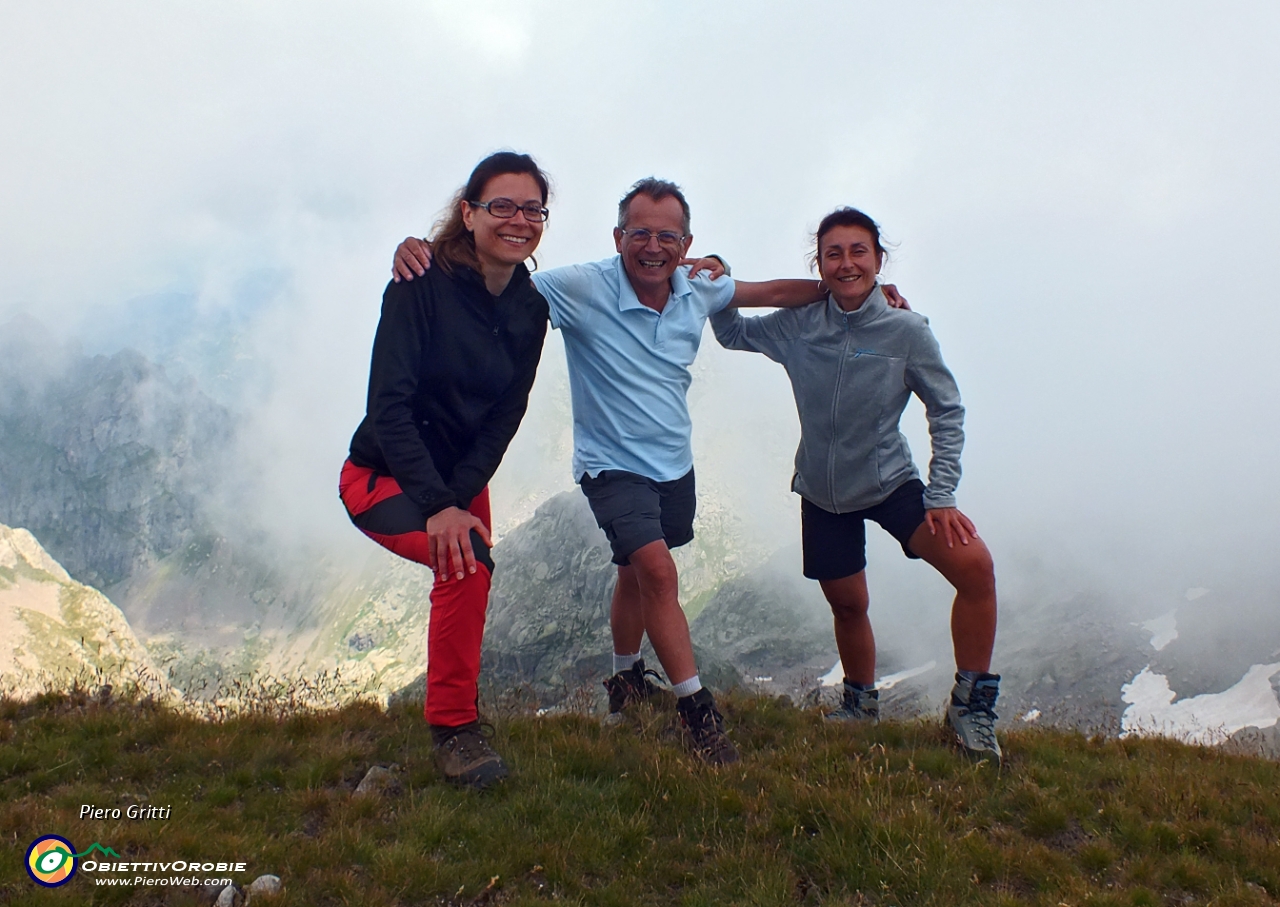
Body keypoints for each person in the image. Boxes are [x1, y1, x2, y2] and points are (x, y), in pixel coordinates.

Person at [392, 178, 874, 765]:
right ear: (618, 236)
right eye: (639, 233)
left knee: (632, 571)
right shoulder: (580, 287)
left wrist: (856, 290)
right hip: (609, 465)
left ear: (686, 242)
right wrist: (423, 252)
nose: (653, 246)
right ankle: (698, 713)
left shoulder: (697, 288)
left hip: (672, 463)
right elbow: (492, 282)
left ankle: (625, 682)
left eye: (667, 236)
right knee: (658, 573)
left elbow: (769, 290)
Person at [709, 207, 1002, 761]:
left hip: (891, 482)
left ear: (878, 259)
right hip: (822, 490)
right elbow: (731, 333)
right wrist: (723, 273)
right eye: (833, 253)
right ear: (818, 265)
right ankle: (860, 706)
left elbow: (947, 408)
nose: (846, 263)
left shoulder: (906, 330)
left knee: (975, 568)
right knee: (848, 604)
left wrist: (941, 494)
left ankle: (971, 709)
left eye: (858, 251)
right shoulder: (799, 324)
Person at [339, 151, 553, 788]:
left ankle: (462, 713)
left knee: (471, 569)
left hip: (459, 481)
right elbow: (390, 405)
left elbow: (504, 416)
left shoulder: (530, 309)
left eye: (532, 209)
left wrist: (457, 498)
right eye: (502, 206)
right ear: (470, 212)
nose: (518, 220)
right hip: (382, 474)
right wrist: (438, 505)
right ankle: (454, 732)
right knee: (466, 565)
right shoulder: (419, 283)